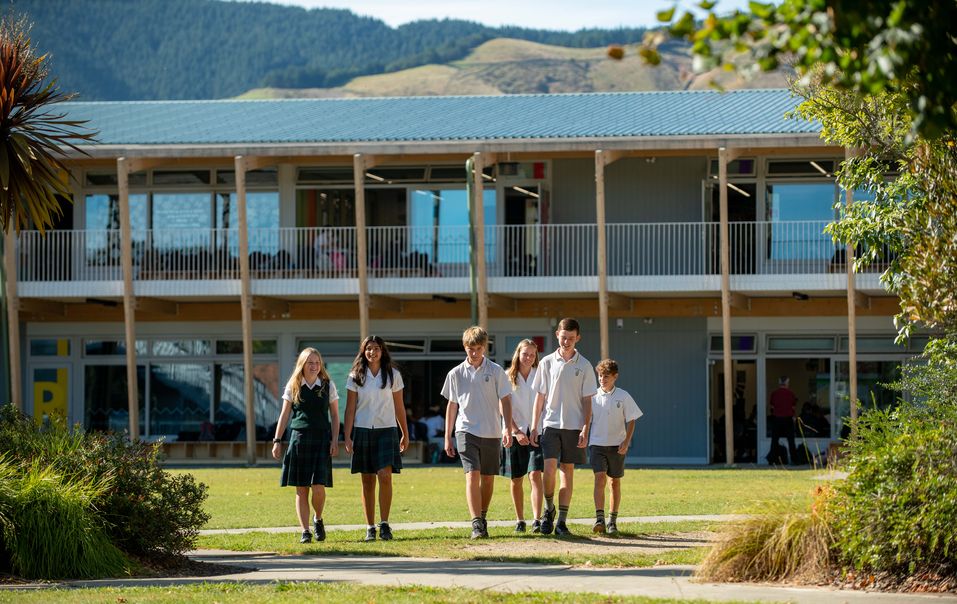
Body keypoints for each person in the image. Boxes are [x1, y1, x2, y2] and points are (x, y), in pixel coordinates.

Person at [441, 326, 517, 539]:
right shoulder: (455, 373)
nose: (473, 353)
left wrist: (507, 428)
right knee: (472, 475)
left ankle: (482, 517)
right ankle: (476, 523)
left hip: (491, 431)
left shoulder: (495, 371)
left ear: (485, 348)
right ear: (465, 348)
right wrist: (447, 436)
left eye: (477, 348)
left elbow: (506, 401)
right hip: (465, 430)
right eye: (469, 348)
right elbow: (452, 405)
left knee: (488, 478)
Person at [530, 317, 598, 537]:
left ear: (577, 338)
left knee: (567, 472)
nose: (566, 342)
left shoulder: (585, 365)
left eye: (571, 338)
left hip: (574, 426)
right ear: (556, 335)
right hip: (550, 424)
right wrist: (533, 426)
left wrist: (586, 427)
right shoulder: (547, 362)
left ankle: (561, 521)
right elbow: (539, 397)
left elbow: (588, 400)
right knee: (548, 470)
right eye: (563, 337)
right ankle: (549, 509)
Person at [344, 335, 409, 542]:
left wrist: (405, 433)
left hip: (387, 430)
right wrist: (346, 436)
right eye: (369, 348)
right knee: (367, 481)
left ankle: (384, 524)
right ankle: (370, 526)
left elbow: (399, 407)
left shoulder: (393, 375)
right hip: (362, 430)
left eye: (377, 348)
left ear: (383, 351)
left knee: (385, 476)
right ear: (363, 351)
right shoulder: (355, 376)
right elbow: (350, 408)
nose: (373, 352)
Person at [272, 347, 340, 544]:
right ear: (302, 364)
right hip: (299, 438)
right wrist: (277, 441)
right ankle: (305, 531)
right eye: (310, 362)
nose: (314, 366)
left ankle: (318, 518)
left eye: (317, 362)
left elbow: (335, 415)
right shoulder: (293, 385)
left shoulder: (328, 385)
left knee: (318, 487)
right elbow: (284, 415)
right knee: (301, 488)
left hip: (321, 439)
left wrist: (335, 439)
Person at [589, 359, 642, 535]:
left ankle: (612, 521)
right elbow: (586, 420)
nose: (602, 379)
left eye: (606, 376)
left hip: (617, 446)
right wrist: (583, 434)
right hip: (596, 444)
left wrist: (626, 441)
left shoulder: (623, 396)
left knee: (615, 482)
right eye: (600, 376)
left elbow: (632, 419)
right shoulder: (592, 396)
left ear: (615, 377)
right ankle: (599, 519)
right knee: (599, 478)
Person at [501, 338, 545, 533]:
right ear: (517, 354)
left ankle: (537, 519)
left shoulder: (541, 376)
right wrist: (516, 431)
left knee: (535, 474)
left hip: (537, 431)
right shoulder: (506, 377)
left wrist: (534, 428)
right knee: (516, 478)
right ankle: (520, 520)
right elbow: (502, 408)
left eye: (532, 354)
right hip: (514, 432)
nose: (528, 358)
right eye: (525, 353)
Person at [769, 375, 799, 464]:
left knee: (774, 440)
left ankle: (772, 460)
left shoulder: (774, 394)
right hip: (788, 419)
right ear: (786, 383)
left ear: (779, 382)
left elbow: (772, 407)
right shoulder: (791, 394)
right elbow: (793, 407)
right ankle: (794, 460)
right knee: (791, 440)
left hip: (777, 419)